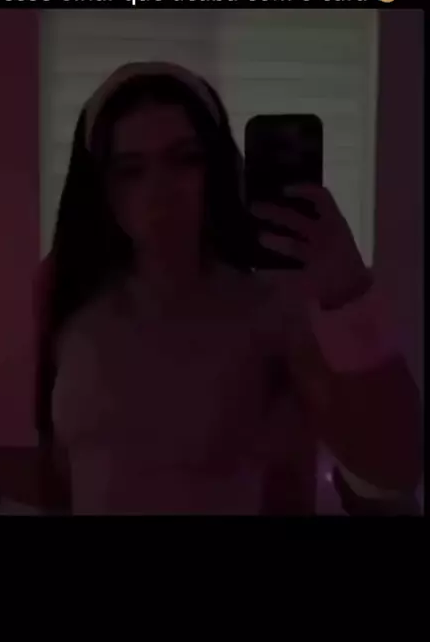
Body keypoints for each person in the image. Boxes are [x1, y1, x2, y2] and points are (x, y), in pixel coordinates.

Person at [34, 61, 421, 515]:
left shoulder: (266, 310)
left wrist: (348, 291)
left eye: (185, 159)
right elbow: (72, 469)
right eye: (130, 169)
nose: (160, 189)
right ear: (102, 188)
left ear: (216, 169)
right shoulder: (71, 300)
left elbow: (393, 468)